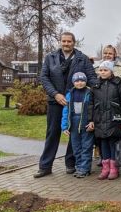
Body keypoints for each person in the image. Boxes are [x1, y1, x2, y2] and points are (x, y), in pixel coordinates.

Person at [34, 32, 97, 178]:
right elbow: (44, 77)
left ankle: (71, 163)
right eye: (64, 41)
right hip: (55, 101)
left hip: (77, 100)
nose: (66, 44)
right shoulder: (50, 58)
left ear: (74, 42)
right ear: (60, 42)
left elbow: (92, 78)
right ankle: (45, 166)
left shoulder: (82, 59)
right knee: (52, 132)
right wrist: (55, 94)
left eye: (69, 41)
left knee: (75, 131)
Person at [89, 61, 121, 181]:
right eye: (101, 70)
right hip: (100, 119)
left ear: (111, 71)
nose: (103, 72)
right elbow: (91, 104)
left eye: (105, 70)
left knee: (113, 143)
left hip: (114, 119)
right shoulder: (95, 85)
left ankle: (114, 168)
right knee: (103, 144)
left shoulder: (118, 83)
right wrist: (90, 119)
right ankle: (105, 168)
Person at [61, 72, 94, 178]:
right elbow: (66, 111)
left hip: (86, 123)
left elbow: (93, 109)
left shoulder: (90, 93)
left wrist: (92, 122)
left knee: (86, 146)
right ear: (73, 82)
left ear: (86, 81)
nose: (80, 83)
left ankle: (85, 168)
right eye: (77, 81)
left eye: (82, 80)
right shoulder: (70, 94)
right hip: (73, 124)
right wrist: (64, 126)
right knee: (76, 147)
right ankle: (79, 167)